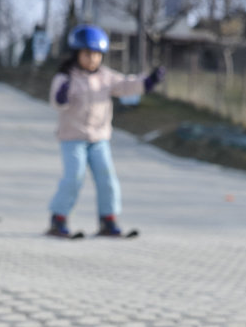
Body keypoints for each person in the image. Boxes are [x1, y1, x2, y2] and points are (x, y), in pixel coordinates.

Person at [47, 24, 164, 237]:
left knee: (107, 178)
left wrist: (148, 82)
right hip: (72, 138)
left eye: (97, 54)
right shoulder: (66, 77)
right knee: (74, 177)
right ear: (76, 53)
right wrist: (62, 95)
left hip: (99, 138)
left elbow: (127, 85)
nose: (92, 59)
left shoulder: (106, 77)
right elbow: (57, 103)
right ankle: (59, 219)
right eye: (87, 54)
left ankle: (108, 219)